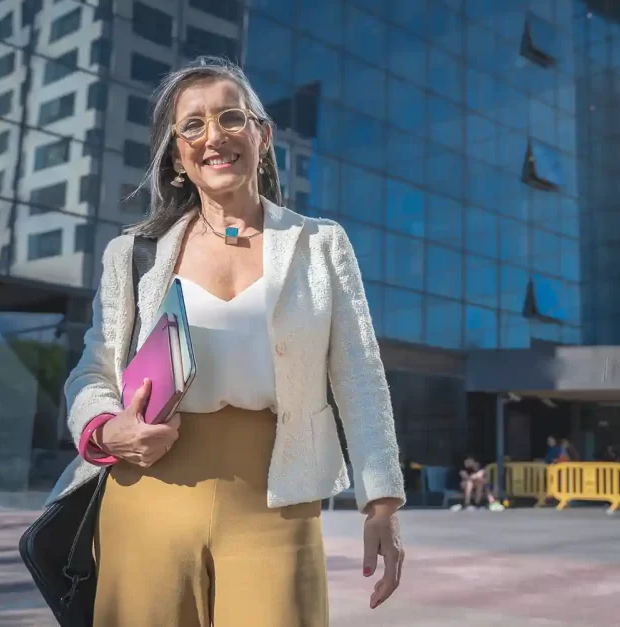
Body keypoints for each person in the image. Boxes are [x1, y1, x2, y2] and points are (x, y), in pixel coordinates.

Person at [46, 56, 406, 626]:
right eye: (192, 125)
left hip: (277, 501)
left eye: (231, 117)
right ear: (177, 157)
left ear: (261, 135)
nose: (214, 136)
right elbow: (92, 373)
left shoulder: (320, 244)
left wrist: (381, 501)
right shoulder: (133, 253)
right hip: (147, 491)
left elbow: (361, 377)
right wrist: (109, 429)